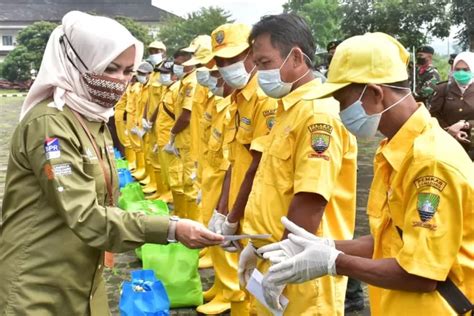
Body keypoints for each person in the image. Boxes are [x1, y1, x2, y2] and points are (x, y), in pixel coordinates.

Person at [0, 11, 224, 315]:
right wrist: (171, 228)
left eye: (127, 71)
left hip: (83, 279)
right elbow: (85, 216)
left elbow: (104, 204)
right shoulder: (51, 124)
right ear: (79, 64)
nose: (120, 81)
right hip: (39, 284)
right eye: (110, 68)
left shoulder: (93, 118)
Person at [258, 32, 474, 316]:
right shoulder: (396, 149)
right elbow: (391, 239)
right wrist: (315, 247)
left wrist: (334, 262)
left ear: (375, 93)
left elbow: (422, 275)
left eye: (342, 100)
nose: (339, 110)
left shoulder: (430, 162)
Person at [233, 14, 357, 315]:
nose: (259, 73)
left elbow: (310, 198)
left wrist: (284, 259)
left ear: (296, 57)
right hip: (275, 254)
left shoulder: (317, 114)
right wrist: (257, 245)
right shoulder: (289, 107)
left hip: (299, 268)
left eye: (264, 63)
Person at [207, 21, 278, 315]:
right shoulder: (239, 99)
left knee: (257, 285)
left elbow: (258, 164)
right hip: (240, 202)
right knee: (247, 280)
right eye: (221, 61)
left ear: (251, 54)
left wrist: (233, 214)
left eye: (233, 59)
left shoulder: (264, 98)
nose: (226, 67)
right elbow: (236, 161)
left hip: (256, 206)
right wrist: (222, 209)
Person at [430, 52, 474, 160]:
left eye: (465, 69)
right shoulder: (443, 88)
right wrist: (450, 130)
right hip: (446, 142)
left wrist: (465, 124)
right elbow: (433, 115)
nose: (461, 72)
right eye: (457, 69)